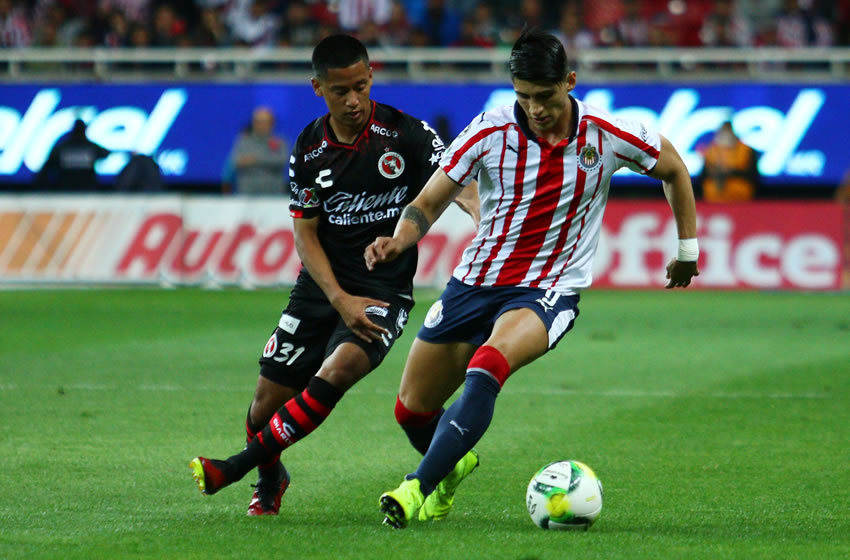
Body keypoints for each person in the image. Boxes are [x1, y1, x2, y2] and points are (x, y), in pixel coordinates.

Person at [364, 28, 700, 529]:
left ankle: (416, 487)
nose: (536, 108)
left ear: (570, 81)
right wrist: (398, 239)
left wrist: (687, 249)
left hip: (549, 288)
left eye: (545, 96)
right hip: (474, 282)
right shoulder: (488, 130)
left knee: (488, 364)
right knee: (411, 410)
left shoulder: (606, 133)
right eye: (524, 96)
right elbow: (429, 201)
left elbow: (673, 169)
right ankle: (451, 465)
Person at [189, 34, 479, 516]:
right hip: (319, 289)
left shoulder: (406, 133)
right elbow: (305, 236)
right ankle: (269, 477)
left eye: (361, 87)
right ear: (318, 88)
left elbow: (455, 184)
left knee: (339, 368)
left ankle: (236, 467)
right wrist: (338, 297)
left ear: (371, 78)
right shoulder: (307, 147)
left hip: (383, 290)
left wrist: (480, 213)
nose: (354, 101)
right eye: (341, 91)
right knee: (265, 406)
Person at [36, 119, 110, 192]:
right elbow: (106, 153)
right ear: (84, 130)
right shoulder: (91, 147)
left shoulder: (62, 147)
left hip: (68, 189)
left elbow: (47, 167)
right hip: (82, 189)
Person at [228, 107, 289, 195]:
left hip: (273, 193)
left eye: (264, 122)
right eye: (258, 122)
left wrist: (255, 159)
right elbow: (236, 161)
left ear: (272, 123)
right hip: (247, 192)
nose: (261, 125)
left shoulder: (280, 142)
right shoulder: (244, 141)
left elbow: (281, 160)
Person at [700, 121, 760, 203]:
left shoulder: (746, 150)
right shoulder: (711, 150)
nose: (726, 135)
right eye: (723, 131)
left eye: (728, 131)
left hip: (741, 197)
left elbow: (753, 175)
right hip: (714, 198)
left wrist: (731, 172)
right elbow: (703, 175)